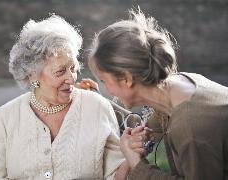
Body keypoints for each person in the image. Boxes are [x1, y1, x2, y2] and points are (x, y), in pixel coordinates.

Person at [0, 15, 148, 180]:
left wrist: (130, 155)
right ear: (33, 75)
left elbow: (114, 176)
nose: (71, 78)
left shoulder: (97, 107)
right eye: (60, 71)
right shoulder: (5, 117)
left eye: (73, 68)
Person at [88, 8, 228, 180]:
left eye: (104, 81)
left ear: (126, 79)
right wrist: (138, 141)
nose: (107, 90)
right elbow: (157, 124)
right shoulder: (181, 84)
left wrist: (136, 163)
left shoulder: (190, 128)